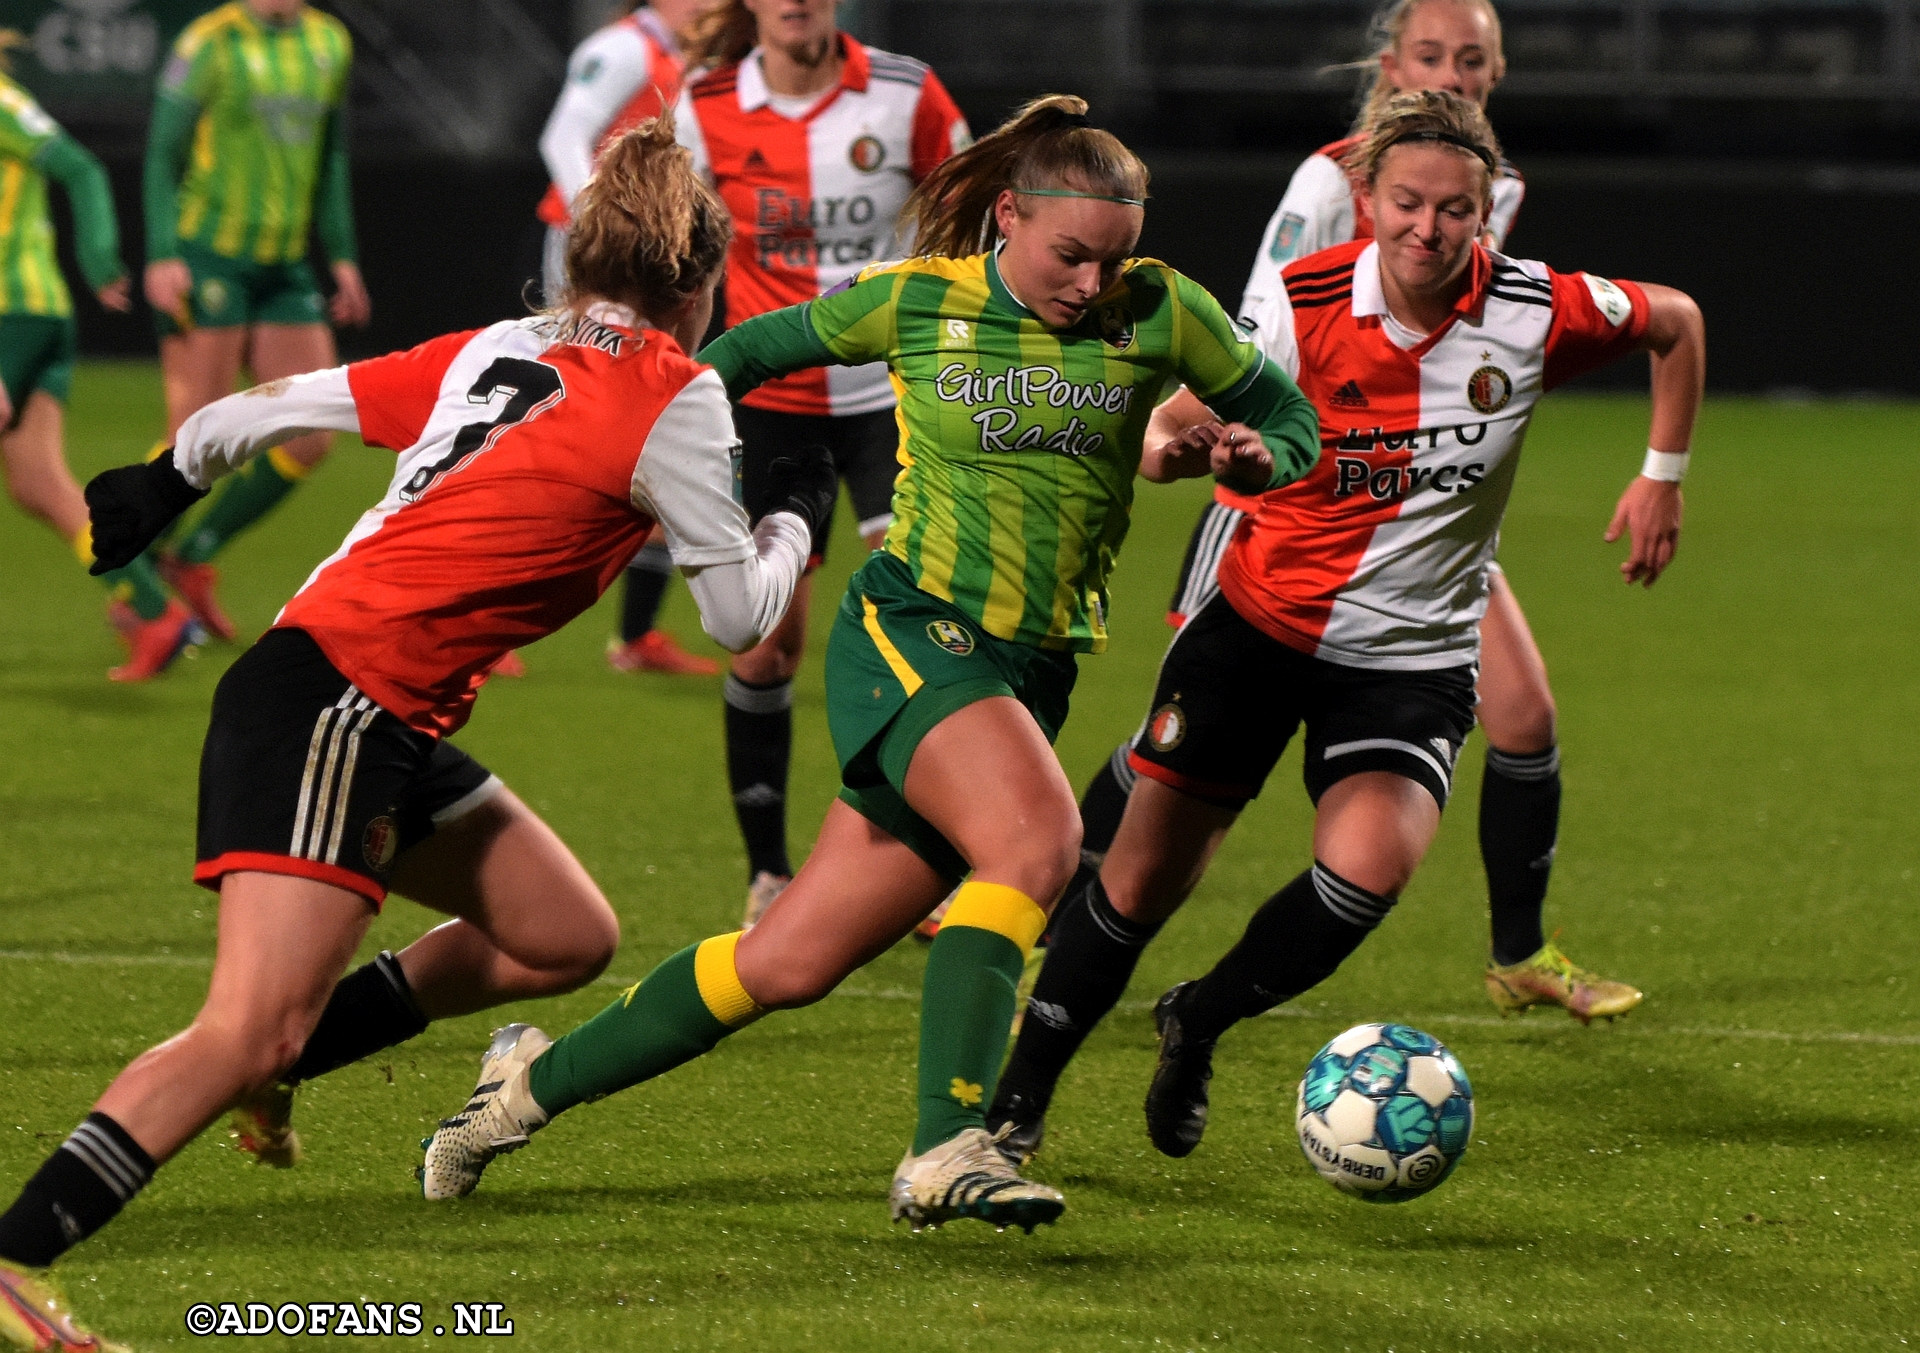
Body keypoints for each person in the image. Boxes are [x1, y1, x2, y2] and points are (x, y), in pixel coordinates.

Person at [415, 94, 1321, 1233]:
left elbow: (1291, 421)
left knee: (787, 962)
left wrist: (1250, 453)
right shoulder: (915, 303)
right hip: (912, 633)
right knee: (1038, 841)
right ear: (1008, 218)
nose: (1093, 284)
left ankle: (518, 1092)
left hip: (1028, 675)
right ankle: (948, 1145)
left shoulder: (1164, 311)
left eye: (1113, 260)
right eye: (1070, 255)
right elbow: (733, 356)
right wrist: (647, 453)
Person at [0, 119, 821, 1352]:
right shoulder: (678, 395)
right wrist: (797, 519)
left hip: (354, 698)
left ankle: (284, 1060)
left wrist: (165, 479)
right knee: (241, 1029)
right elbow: (735, 618)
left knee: (560, 936)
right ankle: (17, 1259)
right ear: (699, 285)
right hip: (343, 701)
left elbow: (276, 403)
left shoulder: (504, 345)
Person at [987, 91, 1704, 1165]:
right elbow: (1177, 430)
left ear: (1487, 211)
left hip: (1412, 660)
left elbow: (1677, 320)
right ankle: (1017, 1101)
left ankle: (1200, 1020)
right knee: (1137, 882)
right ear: (1365, 198)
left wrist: (1662, 478)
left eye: (1454, 210)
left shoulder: (1536, 307)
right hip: (1261, 630)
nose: (1428, 229)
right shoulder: (1298, 300)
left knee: (1367, 874)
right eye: (1407, 203)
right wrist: (1196, 446)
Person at [1069, 0, 1642, 1021]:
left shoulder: (1490, 183)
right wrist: (1230, 444)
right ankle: (1045, 889)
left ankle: (1519, 956)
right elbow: (1253, 330)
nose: (1453, 74)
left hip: (1414, 504)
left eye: (1472, 60)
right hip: (1296, 500)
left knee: (1526, 715)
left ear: (1497, 74)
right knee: (1178, 750)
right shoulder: (1329, 180)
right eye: (1432, 55)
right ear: (1390, 64)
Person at [673, 0, 970, 925]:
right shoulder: (706, 102)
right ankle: (769, 873)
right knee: (767, 647)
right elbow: (679, 250)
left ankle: (926, 864)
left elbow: (969, 213)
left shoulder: (906, 91)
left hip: (894, 398)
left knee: (924, 621)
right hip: (769, 402)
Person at [137, 0, 370, 645]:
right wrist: (160, 253)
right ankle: (135, 587)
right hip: (207, 254)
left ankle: (191, 555)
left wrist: (343, 256)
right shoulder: (209, 43)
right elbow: (162, 155)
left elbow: (332, 159)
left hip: (284, 264)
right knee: (194, 430)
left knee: (311, 433)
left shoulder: (329, 42)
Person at [0, 52, 195, 682]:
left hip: (17, 314)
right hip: (30, 317)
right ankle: (154, 608)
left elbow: (80, 168)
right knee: (38, 482)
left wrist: (99, 253)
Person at [538, 0, 719, 677]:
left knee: (656, 423)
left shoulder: (693, 56)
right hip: (598, 260)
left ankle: (637, 634)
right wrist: (608, 232)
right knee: (559, 427)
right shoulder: (623, 49)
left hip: (655, 263)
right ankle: (461, 603)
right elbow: (562, 137)